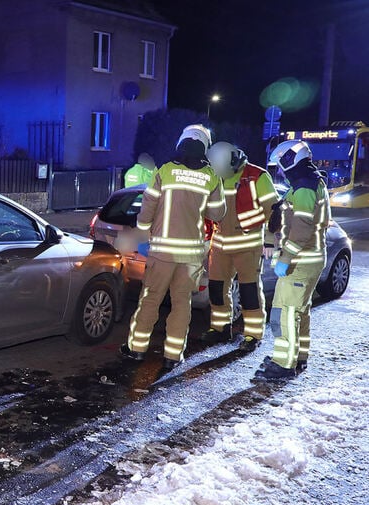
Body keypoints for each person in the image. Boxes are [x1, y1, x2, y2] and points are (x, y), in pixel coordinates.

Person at [120, 124, 226, 370]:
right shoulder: (211, 177)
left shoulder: (165, 171)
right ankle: (173, 355)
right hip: (190, 256)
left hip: (162, 253)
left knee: (150, 300)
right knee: (182, 304)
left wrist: (143, 232)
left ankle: (137, 349)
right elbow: (218, 212)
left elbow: (147, 206)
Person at [253, 140, 330, 381]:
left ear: (292, 159)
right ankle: (298, 356)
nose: (281, 170)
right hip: (308, 259)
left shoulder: (305, 186)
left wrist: (285, 257)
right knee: (300, 311)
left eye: (282, 164)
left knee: (284, 312)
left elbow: (302, 228)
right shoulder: (306, 183)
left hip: (300, 261)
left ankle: (283, 364)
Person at [202, 141, 279, 350]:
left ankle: (253, 335)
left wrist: (270, 241)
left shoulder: (258, 176)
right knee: (217, 290)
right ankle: (220, 328)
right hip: (219, 246)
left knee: (249, 292)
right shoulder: (214, 175)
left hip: (248, 246)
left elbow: (274, 211)